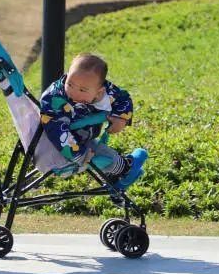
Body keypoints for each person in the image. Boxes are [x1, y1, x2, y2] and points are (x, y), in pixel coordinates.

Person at [39, 52, 147, 190]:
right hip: (65, 147)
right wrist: (79, 156)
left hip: (84, 137)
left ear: (99, 91)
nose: (74, 93)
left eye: (83, 90)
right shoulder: (54, 99)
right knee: (103, 155)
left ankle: (117, 175)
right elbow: (58, 132)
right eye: (70, 84)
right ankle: (126, 169)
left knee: (101, 151)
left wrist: (121, 118)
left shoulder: (106, 92)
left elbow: (123, 99)